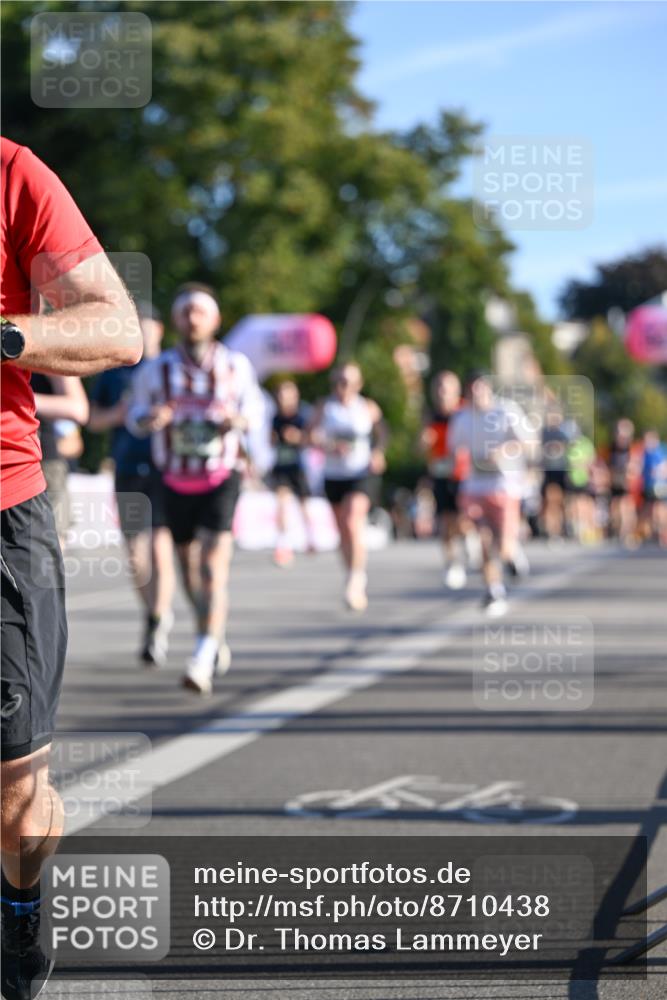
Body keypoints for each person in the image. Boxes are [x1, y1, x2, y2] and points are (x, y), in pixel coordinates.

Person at [1, 137, 141, 1000]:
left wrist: (5, 335)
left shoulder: (12, 175)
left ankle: (19, 905)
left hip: (1, 509)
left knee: (16, 796)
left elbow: (114, 325)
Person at [126, 284, 263, 695]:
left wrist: (236, 421)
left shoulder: (236, 366)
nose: (193, 318)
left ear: (216, 320)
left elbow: (256, 413)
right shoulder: (158, 370)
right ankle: (212, 631)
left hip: (221, 476)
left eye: (200, 311)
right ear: (177, 320)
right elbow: (134, 415)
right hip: (172, 478)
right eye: (185, 311)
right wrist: (151, 418)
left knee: (212, 567)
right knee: (187, 568)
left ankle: (202, 655)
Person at [88, 303, 175, 666]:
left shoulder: (174, 369)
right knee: (136, 557)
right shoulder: (114, 372)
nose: (141, 332)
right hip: (127, 467)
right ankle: (155, 614)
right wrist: (117, 415)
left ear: (160, 330)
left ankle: (158, 619)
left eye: (147, 326)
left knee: (160, 546)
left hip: (166, 467)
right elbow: (92, 419)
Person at [449, 371, 531, 616]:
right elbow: (454, 451)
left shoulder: (507, 410)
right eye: (472, 390)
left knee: (503, 547)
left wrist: (504, 451)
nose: (476, 395)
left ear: (488, 388)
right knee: (482, 539)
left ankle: (513, 553)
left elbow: (529, 442)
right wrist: (457, 461)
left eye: (480, 388)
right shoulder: (462, 418)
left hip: (504, 484)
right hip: (475, 485)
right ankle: (493, 591)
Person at [310, 362, 386, 612]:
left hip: (359, 473)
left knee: (353, 521)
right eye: (338, 383)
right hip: (333, 474)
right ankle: (352, 571)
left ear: (358, 385)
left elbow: (382, 433)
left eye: (348, 383)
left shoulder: (366, 407)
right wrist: (325, 444)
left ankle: (356, 579)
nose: (343, 388)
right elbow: (308, 436)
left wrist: (378, 452)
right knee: (342, 529)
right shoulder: (325, 407)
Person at [421, 370, 469, 588]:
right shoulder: (430, 417)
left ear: (455, 391)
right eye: (438, 388)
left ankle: (470, 541)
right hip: (440, 473)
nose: (442, 392)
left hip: (464, 474)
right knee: (445, 521)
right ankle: (452, 564)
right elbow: (422, 447)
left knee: (463, 519)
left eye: (446, 388)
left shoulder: (464, 412)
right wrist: (423, 443)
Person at [30, 374, 89, 547]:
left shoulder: (42, 350)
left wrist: (21, 397)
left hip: (44, 466)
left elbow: (78, 408)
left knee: (46, 557)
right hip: (10, 464)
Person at [269, 379, 313, 567]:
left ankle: (310, 538)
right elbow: (269, 440)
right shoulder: (275, 418)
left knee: (303, 505)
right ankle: (283, 544)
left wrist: (297, 437)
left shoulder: (301, 417)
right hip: (281, 467)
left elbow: (311, 439)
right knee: (282, 504)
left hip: (298, 467)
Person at [539, 405, 571, 544]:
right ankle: (552, 531)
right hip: (548, 471)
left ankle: (559, 529)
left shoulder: (562, 433)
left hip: (560, 471)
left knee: (559, 503)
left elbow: (567, 448)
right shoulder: (544, 433)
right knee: (550, 501)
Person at [608, 418, 640, 546]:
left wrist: (629, 475)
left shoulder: (632, 448)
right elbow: (608, 465)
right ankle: (618, 532)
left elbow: (635, 466)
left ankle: (628, 533)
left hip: (628, 482)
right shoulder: (612, 448)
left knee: (627, 507)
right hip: (615, 482)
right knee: (616, 507)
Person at [639, 429, 667, 546]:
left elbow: (664, 467)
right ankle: (650, 533)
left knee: (659, 509)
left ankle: (662, 533)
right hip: (648, 485)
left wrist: (659, 471)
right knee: (648, 509)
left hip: (660, 485)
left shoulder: (661, 451)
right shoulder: (645, 453)